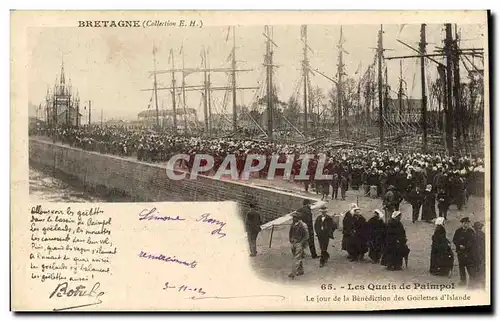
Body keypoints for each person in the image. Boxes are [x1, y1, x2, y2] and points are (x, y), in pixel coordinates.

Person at [453, 217, 478, 287]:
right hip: (460, 252)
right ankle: (462, 280)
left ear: (469, 224)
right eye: (464, 223)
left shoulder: (471, 231)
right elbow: (454, 240)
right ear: (462, 224)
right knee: (461, 267)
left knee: (469, 267)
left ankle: (472, 281)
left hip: (468, 252)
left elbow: (473, 242)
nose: (465, 225)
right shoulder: (458, 231)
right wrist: (458, 245)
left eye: (467, 223)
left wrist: (466, 247)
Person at [289, 212, 310, 279]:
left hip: (299, 243)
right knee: (297, 257)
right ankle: (301, 270)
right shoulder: (293, 224)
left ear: (297, 218)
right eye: (293, 217)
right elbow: (290, 233)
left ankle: (293, 272)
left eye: (294, 217)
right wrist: (290, 239)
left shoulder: (303, 225)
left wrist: (301, 242)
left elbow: (307, 235)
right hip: (293, 243)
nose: (293, 218)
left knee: (297, 258)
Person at [473, 221, 485, 287]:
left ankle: (478, 279)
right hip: (481, 253)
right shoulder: (483, 234)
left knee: (477, 265)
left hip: (477, 253)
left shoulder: (474, 235)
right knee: (480, 265)